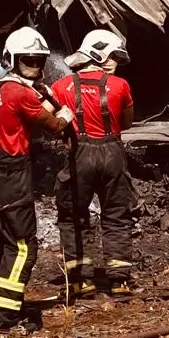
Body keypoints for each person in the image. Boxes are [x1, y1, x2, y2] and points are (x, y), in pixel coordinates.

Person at [0, 26, 74, 333]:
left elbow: (22, 117)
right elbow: (54, 125)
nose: (34, 67)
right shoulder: (19, 93)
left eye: (38, 61)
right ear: (12, 59)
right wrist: (68, 116)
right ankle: (1, 321)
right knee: (23, 247)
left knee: (7, 242)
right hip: (11, 171)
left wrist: (40, 96)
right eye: (27, 61)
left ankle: (5, 305)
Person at [51, 28, 135, 300]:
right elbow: (126, 124)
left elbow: (50, 122)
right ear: (98, 54)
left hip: (79, 155)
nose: (114, 63)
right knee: (116, 216)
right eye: (113, 56)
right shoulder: (121, 86)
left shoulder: (61, 87)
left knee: (73, 218)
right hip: (112, 153)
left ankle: (79, 281)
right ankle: (119, 281)